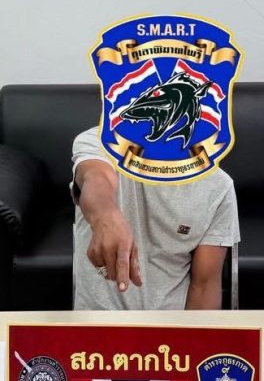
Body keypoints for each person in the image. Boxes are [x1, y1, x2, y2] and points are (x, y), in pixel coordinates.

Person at [70, 127, 240, 310]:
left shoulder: (218, 187)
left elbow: (204, 287)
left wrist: (191, 331)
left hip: (168, 323)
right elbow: (95, 178)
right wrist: (106, 218)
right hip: (96, 321)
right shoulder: (102, 141)